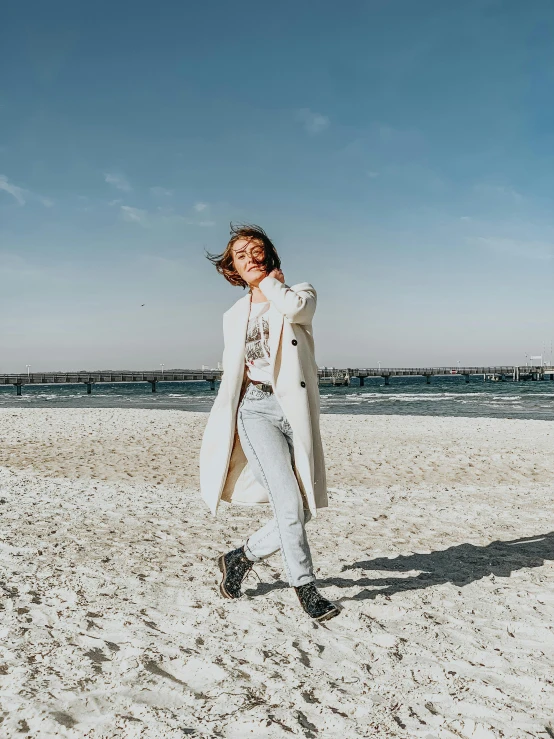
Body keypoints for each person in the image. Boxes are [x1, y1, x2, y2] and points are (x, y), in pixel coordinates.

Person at [200, 223, 339, 622]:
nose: (250, 258)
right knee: (290, 506)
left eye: (256, 250)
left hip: (293, 410)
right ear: (232, 269)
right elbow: (235, 372)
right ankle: (305, 586)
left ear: (269, 256)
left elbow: (299, 311)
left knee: (301, 509)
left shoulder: (299, 293)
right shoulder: (232, 315)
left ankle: (239, 557)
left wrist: (273, 285)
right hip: (255, 410)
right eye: (241, 256)